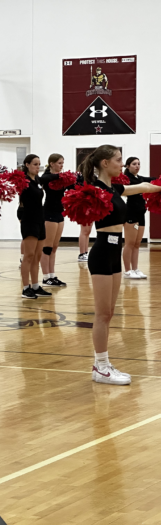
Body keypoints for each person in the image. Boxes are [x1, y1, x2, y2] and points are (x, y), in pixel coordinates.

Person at [81, 145, 161, 385]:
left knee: (110, 313)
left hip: (115, 251)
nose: (121, 163)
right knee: (102, 314)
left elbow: (145, 187)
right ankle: (101, 366)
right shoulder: (94, 189)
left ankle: (103, 365)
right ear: (105, 163)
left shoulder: (114, 188)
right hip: (103, 250)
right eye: (118, 160)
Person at [18, 155, 52, 300]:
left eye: (39, 164)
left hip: (40, 219)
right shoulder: (23, 181)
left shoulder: (37, 180)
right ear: (27, 165)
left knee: (38, 256)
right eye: (35, 164)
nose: (38, 167)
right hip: (29, 220)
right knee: (29, 256)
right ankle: (26, 288)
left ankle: (36, 286)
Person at [39, 154, 69, 287]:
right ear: (51, 163)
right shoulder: (47, 177)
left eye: (63, 163)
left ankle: (52, 275)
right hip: (49, 213)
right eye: (59, 163)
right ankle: (46, 277)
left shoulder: (61, 178)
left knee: (55, 247)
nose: (61, 166)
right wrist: (62, 176)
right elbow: (43, 179)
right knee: (47, 247)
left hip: (59, 213)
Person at [122, 157, 151, 279]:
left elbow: (152, 180)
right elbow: (141, 185)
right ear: (128, 166)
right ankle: (127, 270)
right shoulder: (127, 179)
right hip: (131, 214)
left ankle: (135, 268)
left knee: (137, 243)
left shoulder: (140, 178)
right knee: (130, 243)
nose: (137, 166)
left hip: (141, 214)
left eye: (139, 163)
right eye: (134, 164)